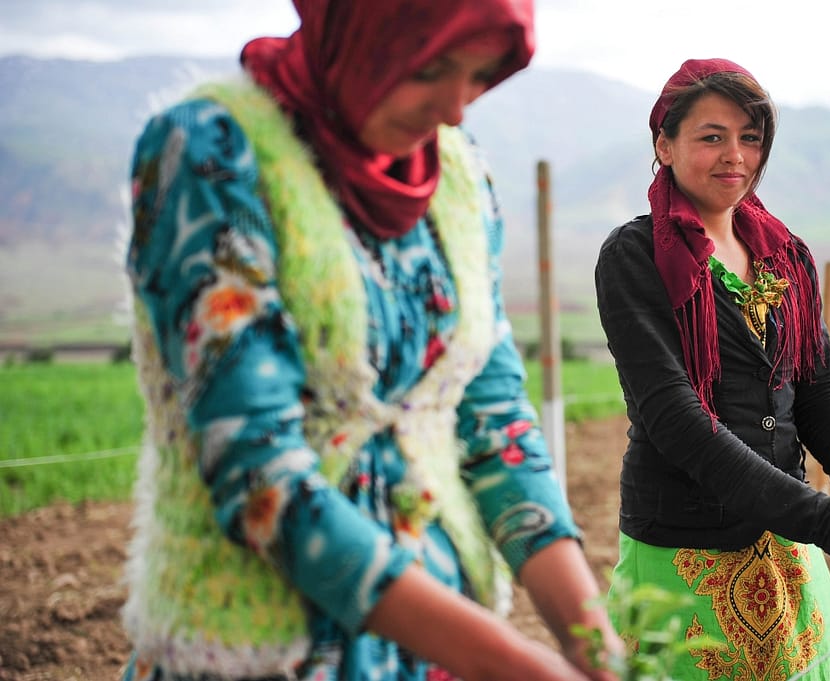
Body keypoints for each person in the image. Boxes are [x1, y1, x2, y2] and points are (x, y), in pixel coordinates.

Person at [120, 2, 620, 680]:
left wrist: (600, 647)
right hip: (261, 651)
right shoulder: (214, 152)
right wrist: (514, 664)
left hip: (438, 649)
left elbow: (493, 418)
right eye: (431, 68)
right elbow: (258, 469)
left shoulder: (457, 175)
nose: (454, 109)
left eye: (476, 75)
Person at [594, 58, 830, 680]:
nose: (735, 155)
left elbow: (817, 396)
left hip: (784, 544)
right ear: (664, 145)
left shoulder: (786, 257)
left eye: (750, 138)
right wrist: (827, 519)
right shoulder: (634, 257)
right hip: (683, 551)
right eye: (712, 136)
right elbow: (675, 417)